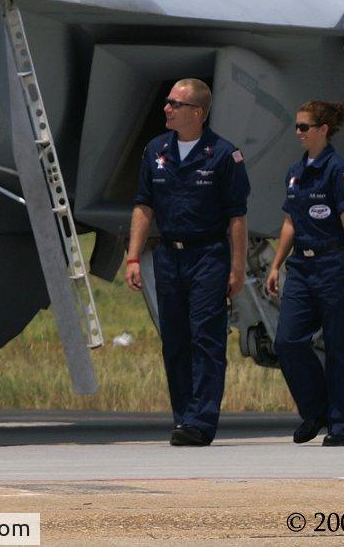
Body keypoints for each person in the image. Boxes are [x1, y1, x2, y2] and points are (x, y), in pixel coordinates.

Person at [125, 78, 250, 447]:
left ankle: (201, 420)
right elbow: (144, 206)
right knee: (175, 340)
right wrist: (133, 256)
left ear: (196, 112)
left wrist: (237, 267)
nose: (166, 108)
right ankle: (183, 416)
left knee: (206, 339)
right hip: (168, 256)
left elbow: (237, 218)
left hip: (208, 255)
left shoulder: (224, 156)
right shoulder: (156, 150)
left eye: (175, 104)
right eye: (167, 102)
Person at [265, 101, 344, 446]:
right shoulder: (295, 173)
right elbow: (289, 223)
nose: (298, 133)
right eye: (296, 126)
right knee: (287, 341)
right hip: (302, 267)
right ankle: (316, 409)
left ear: (323, 130)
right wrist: (276, 265)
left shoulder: (340, 171)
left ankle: (343, 427)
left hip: (335, 266)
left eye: (304, 127)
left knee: (342, 348)